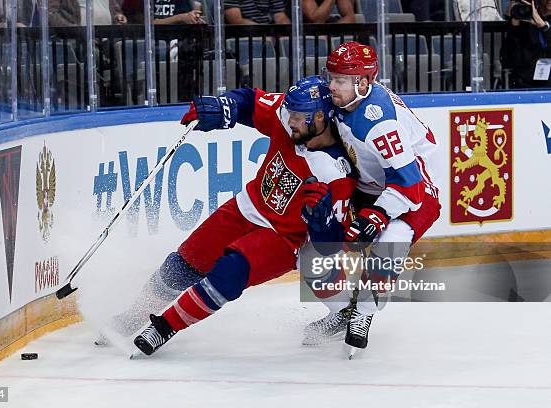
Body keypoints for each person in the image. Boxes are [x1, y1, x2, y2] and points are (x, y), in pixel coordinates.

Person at [112, 76, 358, 356]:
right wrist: (223, 106)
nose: (290, 120)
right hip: (247, 206)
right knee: (185, 263)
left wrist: (320, 220)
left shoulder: (336, 173)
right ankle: (134, 314)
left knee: (231, 271)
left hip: (285, 238)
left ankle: (164, 327)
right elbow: (250, 102)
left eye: (299, 117)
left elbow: (331, 245)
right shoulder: (289, 114)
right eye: (290, 113)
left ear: (320, 116)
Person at [300, 42, 441, 349]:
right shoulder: (341, 101)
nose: (331, 85)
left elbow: (410, 184)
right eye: (331, 76)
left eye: (340, 80)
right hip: (369, 182)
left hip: (414, 188)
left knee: (393, 238)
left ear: (363, 83)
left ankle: (363, 313)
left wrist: (377, 215)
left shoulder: (380, 122)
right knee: (312, 244)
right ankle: (342, 312)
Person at [501, 0, 551, 89]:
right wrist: (515, 25)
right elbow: (509, 59)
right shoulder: (525, 18)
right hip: (526, 84)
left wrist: (543, 26)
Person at [121, 0, 204, 25]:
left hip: (176, 46)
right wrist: (180, 17)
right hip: (148, 46)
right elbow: (145, 24)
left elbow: (187, 16)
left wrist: (195, 19)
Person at [224, 0, 291, 24]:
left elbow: (280, 16)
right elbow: (236, 20)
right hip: (244, 37)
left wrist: (289, 36)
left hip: (269, 36)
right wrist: (264, 34)